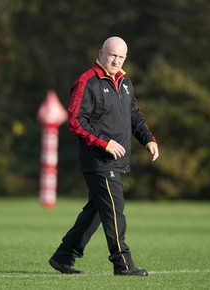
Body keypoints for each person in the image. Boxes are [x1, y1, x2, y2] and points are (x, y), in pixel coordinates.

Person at [49, 36, 159, 276]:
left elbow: (135, 116)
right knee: (114, 207)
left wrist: (148, 139)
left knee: (97, 211)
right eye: (112, 55)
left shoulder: (126, 82)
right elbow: (76, 121)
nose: (116, 60)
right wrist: (104, 143)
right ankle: (123, 263)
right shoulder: (87, 81)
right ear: (101, 54)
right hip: (97, 159)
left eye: (121, 57)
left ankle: (63, 256)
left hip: (116, 161)